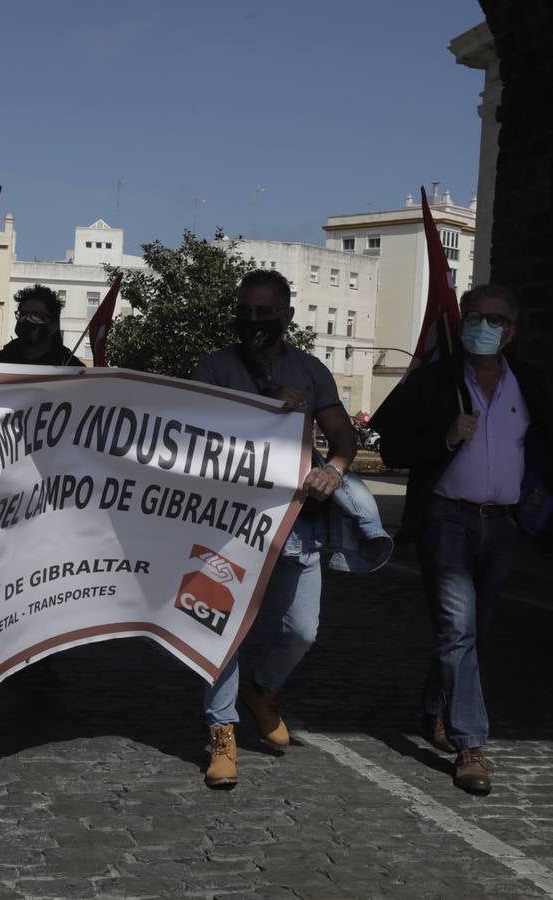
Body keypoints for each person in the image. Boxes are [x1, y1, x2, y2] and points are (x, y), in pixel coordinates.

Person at [370, 284, 553, 796]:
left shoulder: (529, 385)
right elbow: (390, 448)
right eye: (474, 317)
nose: (483, 326)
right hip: (447, 520)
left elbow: (548, 449)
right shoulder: (436, 382)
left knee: (473, 630)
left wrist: (542, 510)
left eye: (495, 319)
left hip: (501, 526)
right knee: (457, 629)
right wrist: (446, 438)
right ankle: (470, 744)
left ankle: (436, 706)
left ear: (512, 330)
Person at [189, 269, 358, 787]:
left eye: (266, 312)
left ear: (287, 316)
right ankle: (222, 729)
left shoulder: (309, 371)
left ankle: (263, 690)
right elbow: (192, 435)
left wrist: (335, 470)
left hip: (295, 521)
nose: (255, 321)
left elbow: (342, 436)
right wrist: (261, 411)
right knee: (222, 630)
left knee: (301, 629)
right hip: (228, 525)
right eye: (247, 311)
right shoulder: (213, 368)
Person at [0, 285, 84, 366]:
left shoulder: (70, 367)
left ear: (54, 325)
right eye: (23, 314)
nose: (27, 320)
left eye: (37, 315)